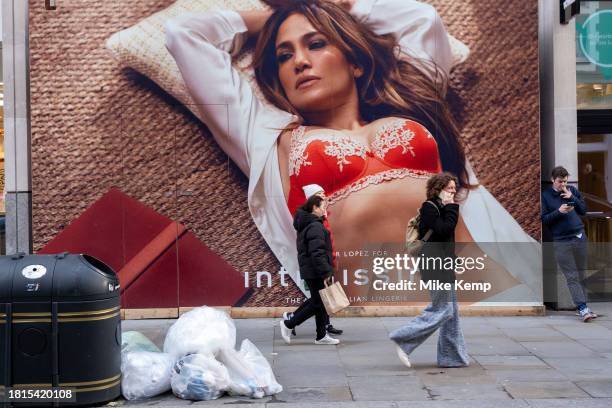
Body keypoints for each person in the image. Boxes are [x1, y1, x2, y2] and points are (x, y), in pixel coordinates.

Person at [165, 0, 539, 302]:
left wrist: (338, 7)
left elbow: (423, 20)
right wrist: (276, 15)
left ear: (356, 62)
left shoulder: (409, 102)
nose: (299, 61)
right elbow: (185, 36)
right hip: (388, 318)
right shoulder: (266, 137)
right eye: (283, 55)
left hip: (498, 294)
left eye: (315, 43)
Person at [389, 172, 469, 368]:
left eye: (453, 188)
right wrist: (451, 208)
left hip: (444, 265)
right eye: (449, 188)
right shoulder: (429, 208)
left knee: (452, 313)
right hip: (433, 265)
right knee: (442, 309)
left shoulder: (442, 208)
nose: (453, 192)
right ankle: (403, 338)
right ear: (438, 189)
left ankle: (452, 358)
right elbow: (444, 230)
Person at [279, 192, 340, 345]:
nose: (324, 210)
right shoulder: (314, 225)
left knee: (319, 302)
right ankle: (289, 323)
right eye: (323, 207)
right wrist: (326, 271)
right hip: (315, 271)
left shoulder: (308, 223)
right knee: (317, 303)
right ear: (314, 207)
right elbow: (317, 252)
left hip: (312, 270)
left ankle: (321, 336)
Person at [542, 166, 597, 322]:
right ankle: (582, 308)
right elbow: (544, 219)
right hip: (561, 241)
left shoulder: (571, 190)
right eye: (560, 182)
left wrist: (572, 197)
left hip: (579, 236)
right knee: (571, 276)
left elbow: (583, 210)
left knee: (582, 273)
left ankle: (584, 306)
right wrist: (559, 211)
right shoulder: (546, 196)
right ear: (553, 180)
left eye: (565, 181)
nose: (562, 185)